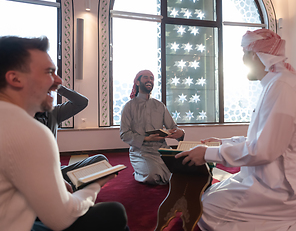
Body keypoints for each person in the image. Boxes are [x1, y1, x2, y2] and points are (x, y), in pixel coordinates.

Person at [176, 29, 296, 231]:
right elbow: (261, 138)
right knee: (207, 196)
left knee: (202, 209)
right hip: (268, 177)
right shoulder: (277, 83)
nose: (242, 59)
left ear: (255, 56)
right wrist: (223, 142)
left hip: (282, 188)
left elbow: (263, 150)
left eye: (244, 54)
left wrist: (208, 154)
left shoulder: (282, 86)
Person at [0, 36, 129, 231]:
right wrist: (94, 186)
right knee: (114, 213)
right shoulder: (27, 130)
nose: (58, 81)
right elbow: (61, 219)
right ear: (15, 78)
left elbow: (81, 102)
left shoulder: (21, 117)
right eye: (49, 72)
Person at [35, 83, 108, 192]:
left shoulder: (54, 113)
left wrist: (58, 87)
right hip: (34, 176)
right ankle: (63, 191)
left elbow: (82, 102)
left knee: (101, 162)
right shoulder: (18, 117)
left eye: (49, 93)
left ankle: (64, 189)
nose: (49, 96)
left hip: (58, 172)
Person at [120, 69, 185, 185]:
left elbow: (173, 127)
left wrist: (180, 133)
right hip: (140, 151)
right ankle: (139, 172)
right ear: (138, 82)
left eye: (152, 78)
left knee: (184, 169)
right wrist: (146, 138)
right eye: (146, 77)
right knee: (153, 175)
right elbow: (124, 134)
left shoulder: (160, 105)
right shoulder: (129, 106)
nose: (149, 80)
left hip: (162, 150)